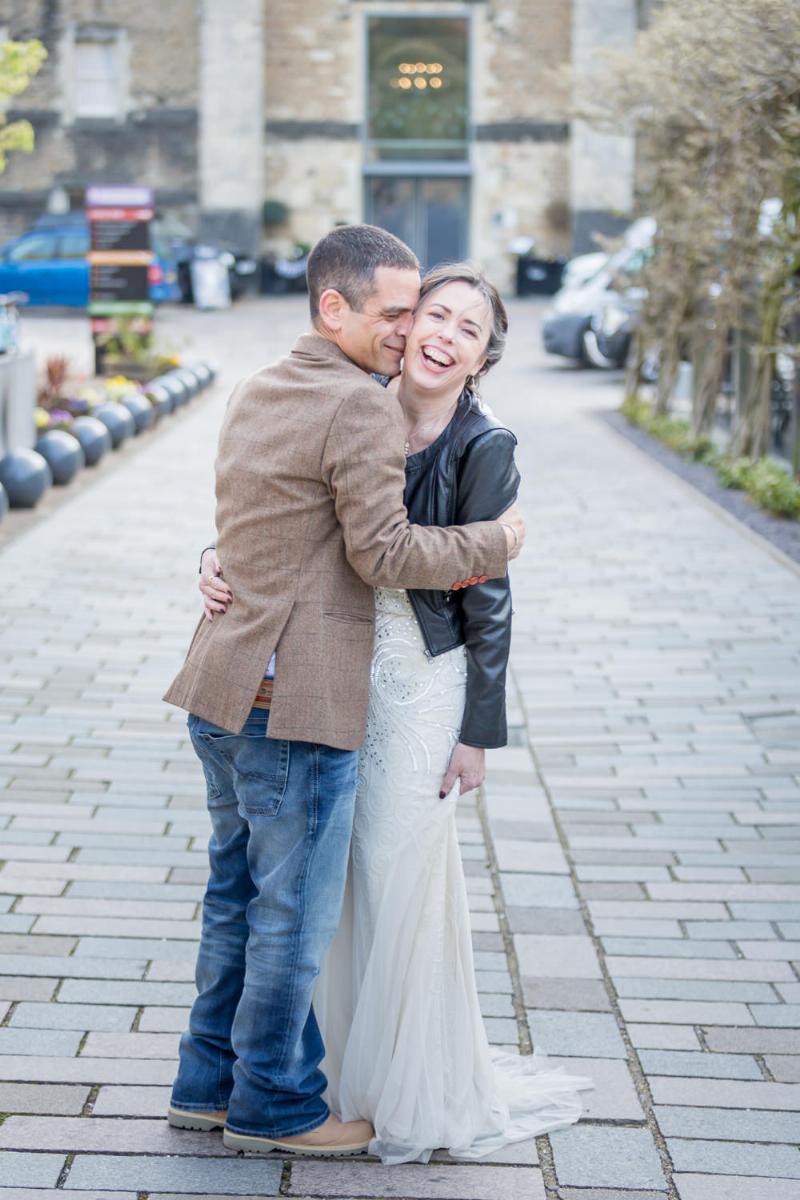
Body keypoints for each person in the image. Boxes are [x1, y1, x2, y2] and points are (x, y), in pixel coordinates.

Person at [200, 262, 592, 1164]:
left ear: (483, 356)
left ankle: (405, 1079)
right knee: (325, 886)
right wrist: (213, 555)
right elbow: (281, 503)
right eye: (432, 315)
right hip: (328, 669)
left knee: (397, 872)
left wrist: (477, 732)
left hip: (420, 680)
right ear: (405, 324)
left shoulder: (484, 444)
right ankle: (323, 1076)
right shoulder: (357, 394)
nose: (442, 335)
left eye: (467, 329)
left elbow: (488, 599)